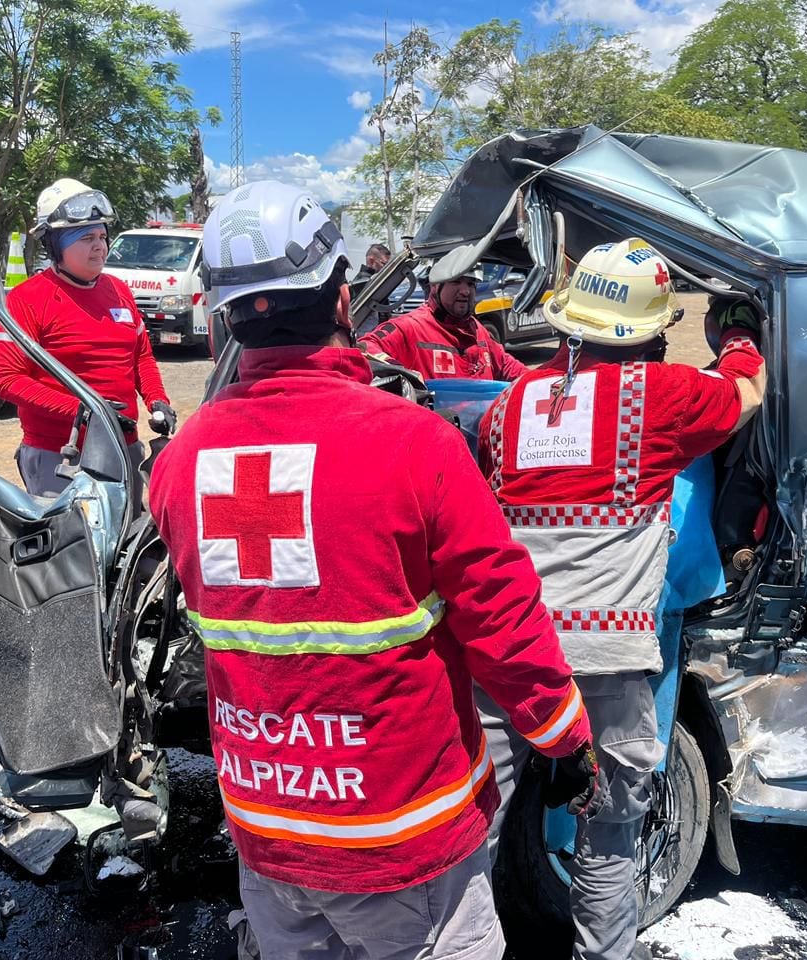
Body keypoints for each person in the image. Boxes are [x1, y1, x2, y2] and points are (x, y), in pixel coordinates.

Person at [148, 180, 602, 960]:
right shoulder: (414, 445)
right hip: (400, 837)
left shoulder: (182, 460)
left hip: (265, 828)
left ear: (224, 317)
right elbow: (501, 618)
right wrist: (564, 739)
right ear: (342, 298)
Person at [477, 239, 766, 960]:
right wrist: (736, 334)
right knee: (608, 829)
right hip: (607, 656)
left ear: (570, 321)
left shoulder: (507, 405)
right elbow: (746, 392)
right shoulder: (663, 396)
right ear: (652, 330)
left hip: (511, 655)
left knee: (472, 826)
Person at [0, 177, 177, 497]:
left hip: (123, 449)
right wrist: (87, 410)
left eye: (103, 236)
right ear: (55, 244)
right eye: (87, 237)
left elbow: (141, 357)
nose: (100, 246)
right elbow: (7, 378)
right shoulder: (25, 300)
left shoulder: (119, 292)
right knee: (72, 546)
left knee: (127, 541)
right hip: (61, 456)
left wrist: (157, 399)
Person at [359, 255, 526, 381]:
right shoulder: (411, 327)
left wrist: (541, 381)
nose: (465, 291)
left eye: (471, 284)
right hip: (436, 424)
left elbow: (508, 367)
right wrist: (405, 378)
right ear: (435, 285)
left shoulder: (478, 330)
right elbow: (364, 348)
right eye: (456, 282)